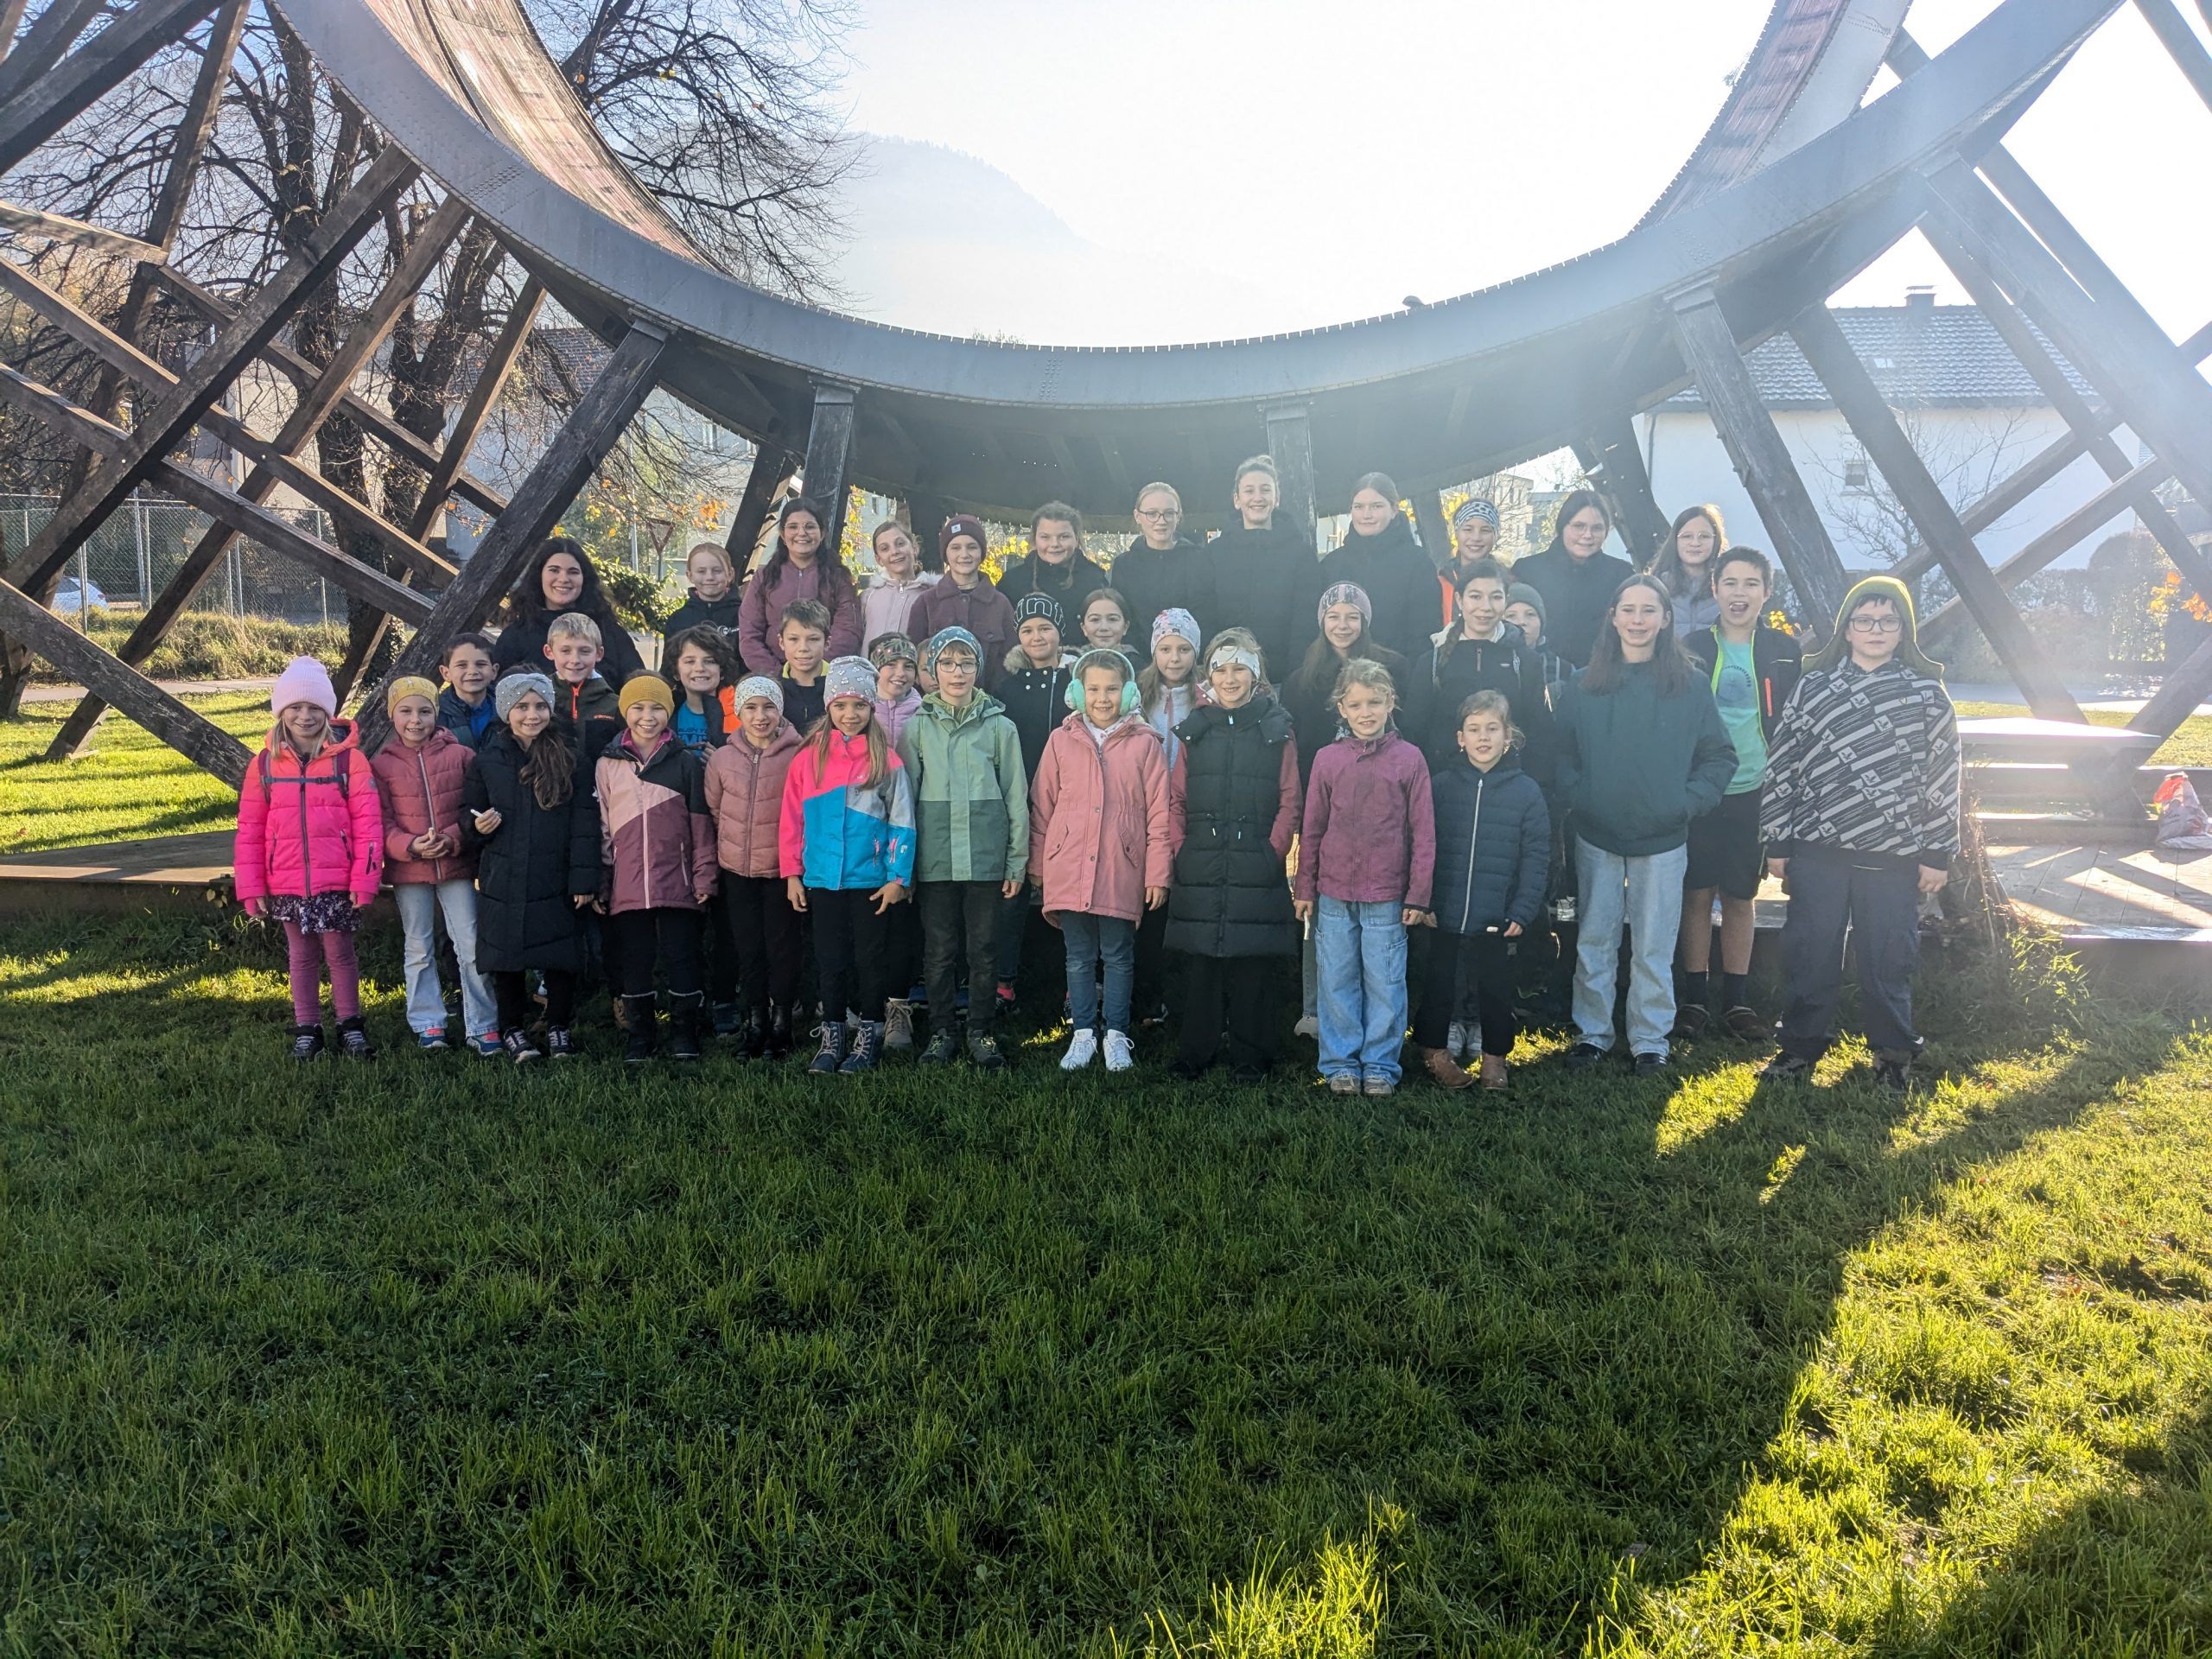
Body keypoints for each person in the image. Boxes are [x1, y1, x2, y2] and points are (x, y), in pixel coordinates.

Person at [1760, 575, 1959, 1092]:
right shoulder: (1815, 687)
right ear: (1846, 629)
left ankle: (1893, 1053)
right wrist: (1777, 839)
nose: (1876, 629)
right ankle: (1799, 1048)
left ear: (1903, 631)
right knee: (1810, 951)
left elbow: (1943, 776)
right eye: (1865, 620)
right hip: (1817, 848)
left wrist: (1937, 851)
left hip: (1893, 854)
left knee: (1888, 956)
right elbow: (1783, 765)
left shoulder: (1926, 694)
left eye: (1888, 621)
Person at [1554, 575, 1737, 1072]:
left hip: (1663, 837)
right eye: (1628, 610)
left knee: (1654, 943)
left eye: (1648, 610)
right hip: (1598, 833)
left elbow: (1719, 756)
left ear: (1665, 618)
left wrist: (1686, 803)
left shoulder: (1691, 685)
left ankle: (1649, 1040)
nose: (1637, 620)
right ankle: (1592, 1033)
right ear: (1613, 617)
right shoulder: (1582, 684)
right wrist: (1581, 796)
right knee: (1596, 938)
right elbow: (1561, 754)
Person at [1029, 646, 1176, 1072]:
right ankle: (1082, 1032)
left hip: (1121, 866)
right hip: (1068, 865)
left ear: (1129, 692)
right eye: (1093, 688)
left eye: (1112, 689)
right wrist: (1038, 864)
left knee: (1118, 954)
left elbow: (1160, 815)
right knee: (1077, 955)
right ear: (1078, 692)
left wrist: (1158, 873)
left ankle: (1116, 1034)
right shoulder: (1060, 741)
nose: (1102, 697)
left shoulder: (1147, 745)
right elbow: (1042, 806)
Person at [1165, 629, 1302, 1083]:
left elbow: (1289, 798)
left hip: (1255, 861)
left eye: (1239, 668)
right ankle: (1196, 1050)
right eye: (1221, 669)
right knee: (1202, 963)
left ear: (1255, 674)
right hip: (1202, 859)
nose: (1230, 678)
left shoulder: (1276, 728)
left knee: (1252, 966)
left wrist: (1273, 850)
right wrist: (1181, 848)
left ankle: (1252, 1054)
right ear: (1209, 677)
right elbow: (1177, 798)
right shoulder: (1195, 729)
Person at [1293, 658, 1435, 1097]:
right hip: (1333, 893)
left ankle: (1379, 1064)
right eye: (1356, 704)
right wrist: (1305, 886)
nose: (1366, 711)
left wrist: (1419, 895)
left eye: (1375, 702)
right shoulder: (1327, 760)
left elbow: (1423, 832)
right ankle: (1339, 1064)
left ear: (1391, 703)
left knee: (1386, 981)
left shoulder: (1410, 760)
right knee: (1336, 979)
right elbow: (1312, 827)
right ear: (1342, 708)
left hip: (1388, 896)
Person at [1678, 546, 1801, 1041]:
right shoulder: (1692, 646)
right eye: (1730, 583)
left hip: (1755, 788)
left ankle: (1736, 1000)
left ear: (1766, 593)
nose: (1739, 593)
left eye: (1751, 584)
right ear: (1715, 588)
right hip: (1702, 790)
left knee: (1740, 895)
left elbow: (1793, 725)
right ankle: (1692, 999)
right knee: (1695, 894)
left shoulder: (1782, 650)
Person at [234, 657, 383, 1061]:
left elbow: (369, 826)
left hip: (336, 880)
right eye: (295, 708)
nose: (304, 716)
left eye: (314, 708)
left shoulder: (348, 761)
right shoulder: (263, 765)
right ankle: (308, 1028)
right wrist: (251, 887)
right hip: (285, 882)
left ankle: (350, 1026)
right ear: (281, 712)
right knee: (300, 957)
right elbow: (249, 830)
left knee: (340, 953)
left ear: (327, 712)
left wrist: (364, 880)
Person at [897, 627, 1030, 1071]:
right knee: (939, 950)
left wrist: (1016, 861)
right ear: (932, 671)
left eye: (967, 663)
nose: (958, 672)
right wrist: (905, 868)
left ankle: (981, 1030)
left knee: (984, 949)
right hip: (934, 861)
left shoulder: (1000, 727)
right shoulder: (916, 728)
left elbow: (1015, 798)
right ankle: (940, 1031)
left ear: (979, 668)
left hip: (986, 860)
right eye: (948, 664)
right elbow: (904, 802)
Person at [781, 656, 915, 1075]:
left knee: (870, 960)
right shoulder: (808, 759)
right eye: (840, 705)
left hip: (870, 881)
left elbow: (902, 822)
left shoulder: (887, 759)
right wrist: (792, 873)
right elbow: (791, 819)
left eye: (859, 705)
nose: (850, 714)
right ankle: (833, 1034)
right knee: (830, 959)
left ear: (872, 708)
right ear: (828, 708)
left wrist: (898, 877)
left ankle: (867, 1038)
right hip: (822, 878)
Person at [461, 672, 602, 1062]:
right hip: (503, 876)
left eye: (539, 705)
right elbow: (466, 815)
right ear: (507, 712)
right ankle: (512, 1028)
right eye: (522, 707)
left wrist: (584, 877)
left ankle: (558, 1024)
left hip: (555, 875)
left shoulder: (571, 758)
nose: (532, 714)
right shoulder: (487, 761)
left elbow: (586, 823)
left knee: (560, 955)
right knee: (506, 958)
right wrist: (476, 827)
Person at [1417, 690, 1551, 1092]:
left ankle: (1495, 1059)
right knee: (1439, 983)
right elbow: (1422, 844)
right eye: (1474, 729)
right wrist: (1423, 898)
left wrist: (1523, 909)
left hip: (1497, 915)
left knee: (1495, 988)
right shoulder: (1440, 786)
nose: (1483, 738)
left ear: (1508, 735)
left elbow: (1537, 856)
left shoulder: (1527, 792)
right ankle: (1434, 1052)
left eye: (1492, 728)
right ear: (1460, 737)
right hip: (1444, 910)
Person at [594, 674, 718, 1063]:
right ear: (624, 712)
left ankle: (685, 1031)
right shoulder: (607, 764)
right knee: (635, 959)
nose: (648, 717)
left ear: (669, 712)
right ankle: (640, 1035)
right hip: (627, 885)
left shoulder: (684, 762)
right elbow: (601, 828)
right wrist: (603, 880)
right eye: (639, 708)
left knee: (682, 956)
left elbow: (700, 825)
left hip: (677, 881)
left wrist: (703, 874)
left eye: (658, 708)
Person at [372, 675, 498, 1056]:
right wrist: (409, 845)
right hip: (409, 870)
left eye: (424, 711)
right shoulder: (381, 764)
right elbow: (380, 819)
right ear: (392, 715)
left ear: (436, 713)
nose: (415, 720)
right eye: (405, 711)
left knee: (471, 943)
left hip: (455, 865)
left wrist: (451, 838)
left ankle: (484, 1024)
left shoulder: (461, 756)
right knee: (418, 946)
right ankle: (429, 1022)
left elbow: (472, 808)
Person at [702, 675, 805, 1060]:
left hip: (781, 869)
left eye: (768, 707)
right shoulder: (723, 759)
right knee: (748, 948)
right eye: (751, 707)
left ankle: (782, 1023)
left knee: (782, 947)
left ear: (780, 710)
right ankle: (755, 1020)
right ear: (738, 712)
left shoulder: (798, 755)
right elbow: (714, 809)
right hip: (737, 871)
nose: (760, 716)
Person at [994, 592, 1071, 1008]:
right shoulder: (1007, 685)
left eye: (1045, 627)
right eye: (1027, 630)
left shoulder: (1077, 682)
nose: (1037, 636)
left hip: (1070, 799)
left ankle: (1072, 984)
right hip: (1019, 799)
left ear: (1060, 632)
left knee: (1069, 894)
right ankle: (1004, 982)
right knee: (1013, 890)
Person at [1135, 606, 1206, 1026]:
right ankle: (1148, 997)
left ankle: (1186, 993)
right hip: (1146, 812)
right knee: (1151, 905)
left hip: (1193, 809)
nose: (1174, 658)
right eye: (1166, 649)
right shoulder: (1139, 696)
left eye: (1183, 649)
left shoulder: (1205, 697)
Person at [1424, 558, 1555, 784]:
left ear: (1505, 601)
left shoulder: (1525, 662)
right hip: (1446, 792)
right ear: (1459, 599)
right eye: (1475, 596)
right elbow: (1417, 734)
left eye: (1495, 597)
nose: (1485, 607)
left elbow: (1541, 738)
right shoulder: (1433, 661)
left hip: (1511, 790)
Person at [1284, 582, 1414, 785]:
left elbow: (1407, 729)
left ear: (1364, 621)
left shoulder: (1394, 668)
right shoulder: (1301, 681)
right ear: (1322, 621)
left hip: (1383, 783)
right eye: (1333, 617)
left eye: (1352, 617)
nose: (1342, 626)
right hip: (1321, 786)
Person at [1205, 455, 1322, 679]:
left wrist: (1295, 674)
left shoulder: (1300, 554)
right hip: (1227, 676)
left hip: (1283, 676)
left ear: (1276, 498)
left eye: (1265, 490)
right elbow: (1206, 613)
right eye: (1249, 491)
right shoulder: (1214, 553)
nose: (1257, 498)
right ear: (1237, 500)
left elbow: (1305, 621)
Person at [493, 537, 645, 684]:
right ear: (539, 575)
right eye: (554, 570)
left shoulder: (609, 633)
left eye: (573, 572)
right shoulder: (516, 636)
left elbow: (638, 687)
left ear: (584, 578)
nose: (564, 578)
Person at [735, 497, 862, 674]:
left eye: (809, 527)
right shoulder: (764, 577)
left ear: (822, 533)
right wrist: (779, 675)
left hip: (825, 677)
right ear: (782, 534)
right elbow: (749, 634)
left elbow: (848, 630)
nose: (802, 533)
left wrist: (817, 671)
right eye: (793, 527)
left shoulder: (838, 577)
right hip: (774, 677)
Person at [1319, 473, 1436, 662]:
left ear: (1394, 509)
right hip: (1338, 676)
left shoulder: (1417, 563)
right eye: (1359, 507)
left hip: (1396, 675)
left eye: (1376, 506)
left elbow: (1424, 634)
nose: (1367, 515)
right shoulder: (1332, 564)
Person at [1513, 488, 1633, 668]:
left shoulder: (1621, 575)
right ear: (1563, 527)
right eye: (1579, 526)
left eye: (1597, 528)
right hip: (1538, 674)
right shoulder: (1527, 570)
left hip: (1600, 677)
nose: (1587, 535)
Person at [909, 515, 1018, 691]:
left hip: (989, 708)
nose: (964, 555)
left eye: (972, 547)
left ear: (982, 552)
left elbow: (1010, 661)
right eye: (955, 548)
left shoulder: (1001, 604)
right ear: (946, 553)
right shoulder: (926, 602)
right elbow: (914, 661)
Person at [1111, 482, 1211, 645]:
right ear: (1138, 516)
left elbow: (1205, 616)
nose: (1161, 521)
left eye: (1169, 513)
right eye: (1152, 513)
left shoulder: (1198, 560)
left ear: (1178, 516)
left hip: (1185, 658)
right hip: (1139, 660)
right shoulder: (1124, 565)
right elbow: (1122, 617)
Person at [995, 501, 1109, 609]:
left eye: (1064, 537)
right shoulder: (1012, 582)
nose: (1054, 544)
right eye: (1045, 537)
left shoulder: (1094, 579)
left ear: (1077, 539)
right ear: (1035, 539)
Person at [541, 610, 622, 758]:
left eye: (584, 651)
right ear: (549, 652)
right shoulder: (539, 698)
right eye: (565, 651)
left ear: (599, 654)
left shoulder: (615, 706)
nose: (575, 660)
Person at [1647, 504, 1726, 635]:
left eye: (1704, 536)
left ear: (1716, 541)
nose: (1695, 543)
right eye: (1687, 536)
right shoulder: (1656, 586)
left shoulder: (1728, 586)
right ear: (1675, 540)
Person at [861, 518, 939, 646]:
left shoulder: (932, 595)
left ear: (914, 548)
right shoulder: (868, 598)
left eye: (900, 544)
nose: (894, 552)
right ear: (878, 559)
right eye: (885, 548)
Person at [664, 624, 739, 753]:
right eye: (690, 661)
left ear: (722, 670)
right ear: (676, 671)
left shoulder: (742, 713)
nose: (700, 668)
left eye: (710, 661)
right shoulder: (665, 712)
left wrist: (722, 764)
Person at [662, 542, 742, 653]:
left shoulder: (745, 616)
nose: (709, 577)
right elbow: (669, 666)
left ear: (730, 574)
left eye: (717, 571)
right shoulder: (678, 620)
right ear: (690, 576)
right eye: (701, 571)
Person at [1437, 498, 1502, 630]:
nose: (1476, 538)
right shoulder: (1439, 583)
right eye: (1468, 529)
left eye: (1485, 530)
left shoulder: (1506, 582)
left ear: (1495, 536)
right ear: (1456, 533)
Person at [1503, 582, 1571, 697]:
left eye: (1530, 614)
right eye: (1511, 616)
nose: (1521, 622)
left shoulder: (1562, 669)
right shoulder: (1488, 661)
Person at [775, 599, 831, 732]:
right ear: (781, 642)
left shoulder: (841, 687)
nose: (803, 648)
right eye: (794, 639)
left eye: (813, 639)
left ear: (827, 643)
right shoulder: (773, 689)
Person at [435, 632, 499, 747]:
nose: (472, 671)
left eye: (480, 664)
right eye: (462, 665)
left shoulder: (506, 709)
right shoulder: (435, 713)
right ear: (446, 673)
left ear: (494, 671)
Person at [869, 632, 923, 744]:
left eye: (908, 666)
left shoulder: (922, 711)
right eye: (891, 664)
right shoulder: (862, 707)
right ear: (876, 669)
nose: (900, 673)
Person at [1077, 586, 1134, 658]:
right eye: (1095, 619)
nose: (1104, 627)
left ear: (1125, 627)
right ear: (1084, 628)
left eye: (1112, 619)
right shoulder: (1073, 665)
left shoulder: (1137, 666)